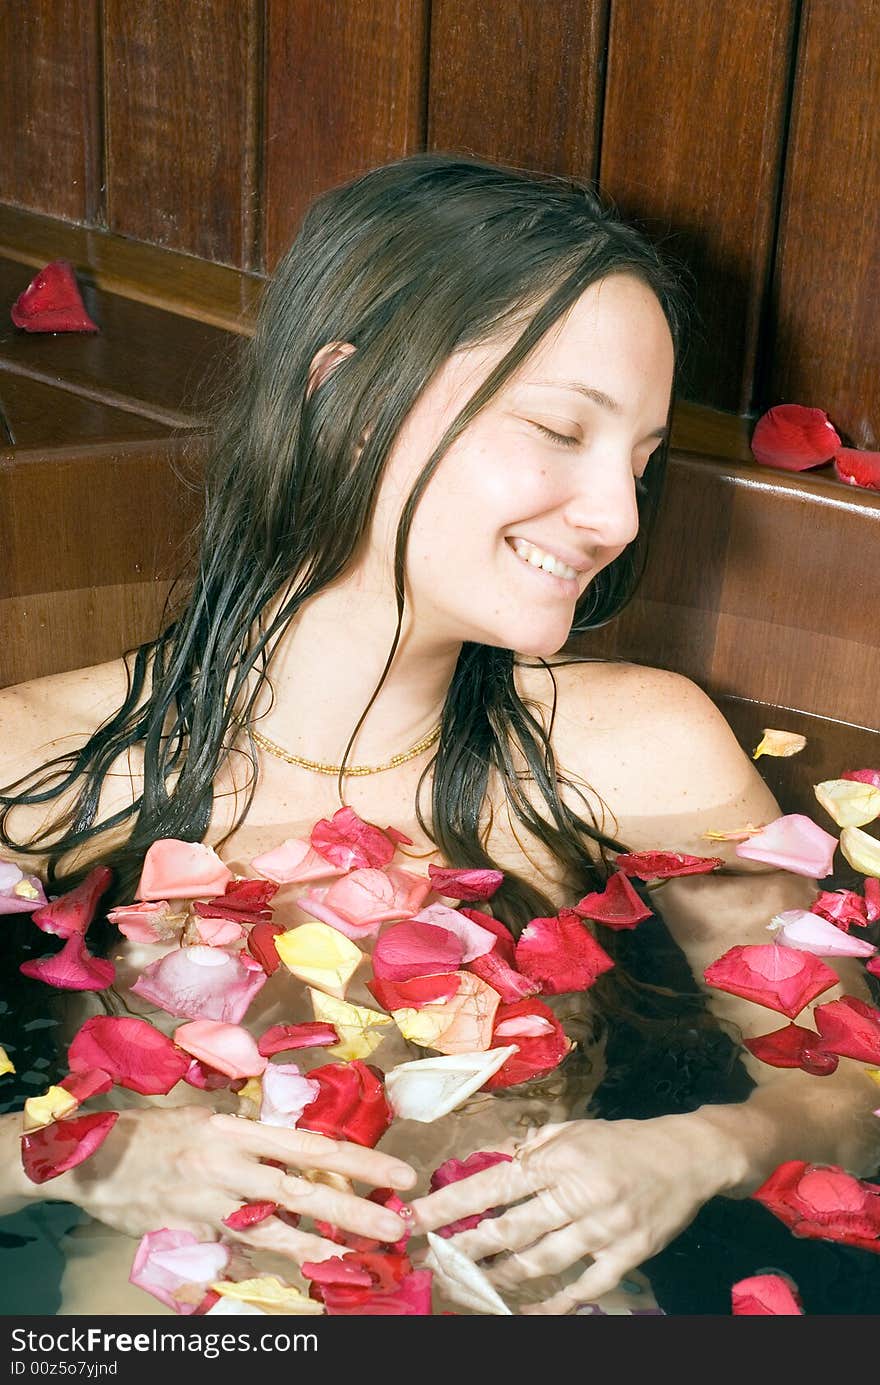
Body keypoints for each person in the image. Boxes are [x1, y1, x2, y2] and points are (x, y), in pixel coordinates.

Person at [0, 153, 878, 1315]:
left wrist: (695, 1148)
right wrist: (93, 1154)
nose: (618, 516)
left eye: (642, 462)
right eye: (563, 430)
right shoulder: (37, 763)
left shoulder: (635, 749)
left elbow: (847, 1082)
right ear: (345, 400)